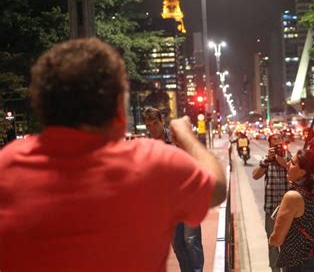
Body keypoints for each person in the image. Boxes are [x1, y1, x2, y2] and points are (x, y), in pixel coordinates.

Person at [0, 38, 226, 272]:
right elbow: (217, 189)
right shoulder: (150, 163)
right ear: (119, 109)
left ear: (41, 107)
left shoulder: (7, 168)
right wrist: (188, 136)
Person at [142, 107, 204, 272]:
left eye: (155, 123)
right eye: (148, 125)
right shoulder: (148, 148)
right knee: (177, 244)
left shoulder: (178, 139)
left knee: (191, 240)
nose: (152, 128)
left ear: (162, 121)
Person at [269, 149, 314, 272]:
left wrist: (271, 240)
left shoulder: (293, 196)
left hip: (300, 263)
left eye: (292, 163)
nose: (287, 165)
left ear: (303, 172)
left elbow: (277, 239)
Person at [253, 133, 291, 272]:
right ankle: (275, 269)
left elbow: (290, 167)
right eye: (273, 140)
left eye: (279, 139)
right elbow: (255, 176)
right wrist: (267, 160)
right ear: (270, 144)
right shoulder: (266, 160)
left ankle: (287, 269)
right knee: (273, 242)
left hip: (288, 210)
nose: (277, 142)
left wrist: (279, 158)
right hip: (271, 208)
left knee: (287, 242)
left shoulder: (291, 157)